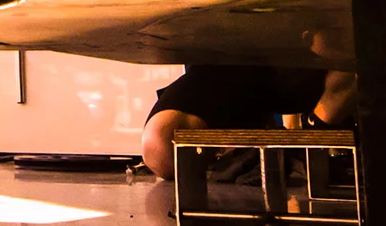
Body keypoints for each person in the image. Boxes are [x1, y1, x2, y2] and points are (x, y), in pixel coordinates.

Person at [138, 33, 357, 179]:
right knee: (164, 146)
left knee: (164, 142)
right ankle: (310, 139)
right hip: (251, 80)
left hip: (235, 69)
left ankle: (309, 139)